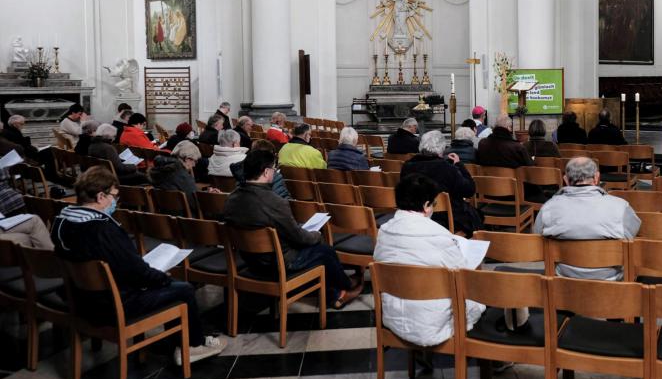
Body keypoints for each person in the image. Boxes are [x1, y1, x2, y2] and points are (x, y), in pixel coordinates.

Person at [51, 166, 225, 364]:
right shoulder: (102, 228)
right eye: (114, 196)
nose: (115, 201)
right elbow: (135, 271)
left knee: (166, 284)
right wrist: (160, 276)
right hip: (115, 303)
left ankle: (178, 340)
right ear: (101, 196)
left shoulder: (61, 221)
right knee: (183, 289)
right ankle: (193, 345)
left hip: (80, 298)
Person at [223, 149, 362, 308]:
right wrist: (315, 235)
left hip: (251, 260)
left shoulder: (231, 199)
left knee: (317, 248)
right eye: (273, 169)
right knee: (325, 251)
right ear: (267, 172)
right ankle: (342, 288)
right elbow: (298, 237)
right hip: (278, 263)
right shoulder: (274, 202)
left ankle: (337, 290)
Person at [373, 173, 486, 346]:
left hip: (394, 317)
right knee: (480, 289)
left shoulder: (383, 232)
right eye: (433, 204)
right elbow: (463, 278)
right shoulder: (439, 236)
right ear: (426, 206)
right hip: (432, 323)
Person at [534, 157, 640, 280]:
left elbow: (537, 240)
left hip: (564, 279)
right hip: (611, 279)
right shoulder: (620, 206)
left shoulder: (548, 208)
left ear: (566, 180)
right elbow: (632, 237)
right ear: (596, 178)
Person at [401, 130, 482, 236]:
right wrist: (459, 165)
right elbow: (469, 190)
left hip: (414, 216)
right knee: (475, 216)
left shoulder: (407, 166)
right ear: (442, 149)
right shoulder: (446, 168)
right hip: (446, 219)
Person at [149, 141, 205, 214]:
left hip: (164, 216)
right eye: (195, 161)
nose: (194, 165)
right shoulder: (182, 176)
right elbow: (196, 203)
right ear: (187, 159)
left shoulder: (159, 170)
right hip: (186, 219)